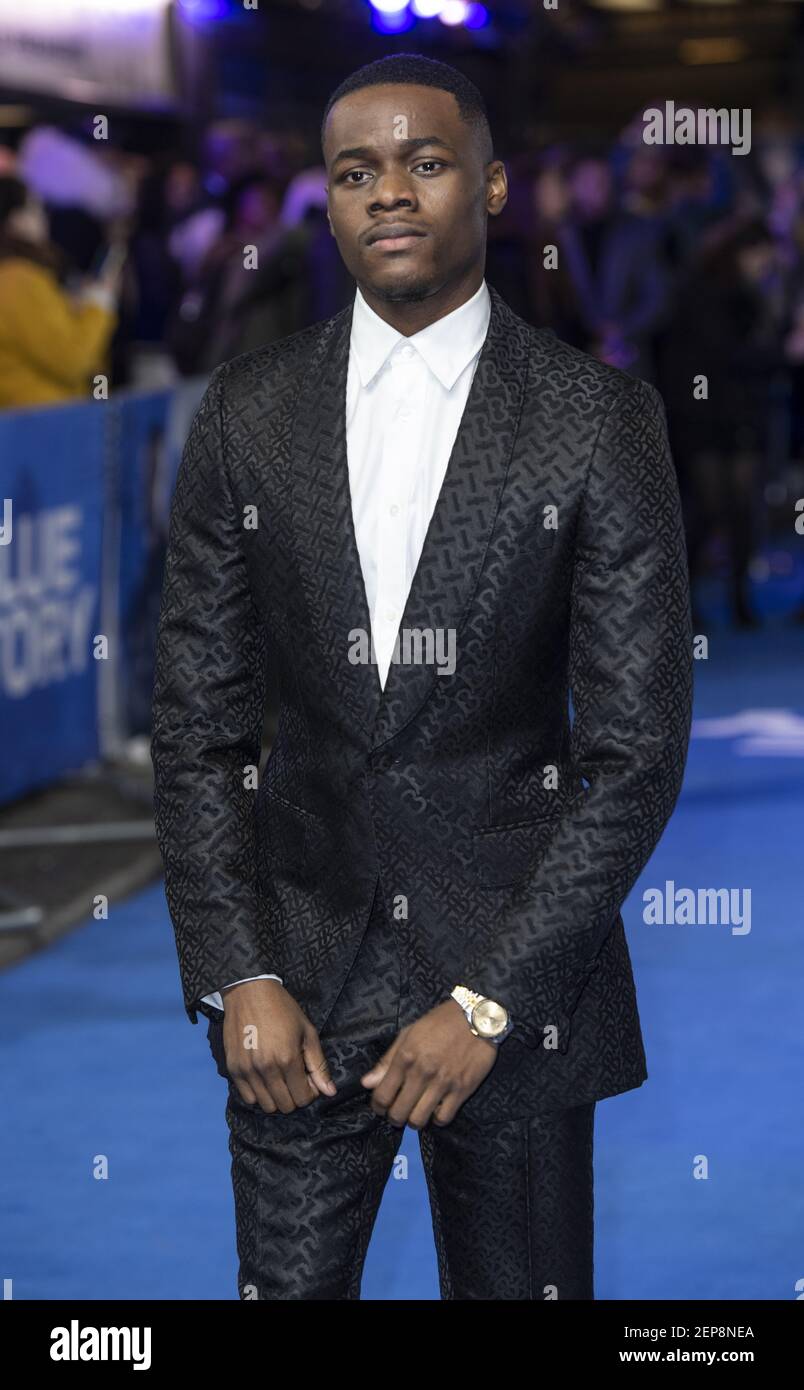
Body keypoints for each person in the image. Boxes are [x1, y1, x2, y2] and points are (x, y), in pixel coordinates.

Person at [151, 53, 693, 1301]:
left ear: (492, 187)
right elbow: (199, 722)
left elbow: (634, 750)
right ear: (327, 202)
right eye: (356, 171)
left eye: (425, 162)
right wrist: (240, 971)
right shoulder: (246, 413)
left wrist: (492, 1003)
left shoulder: (596, 420)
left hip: (515, 992)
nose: (389, 192)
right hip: (295, 989)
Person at [0, 176, 119, 409]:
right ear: (15, 221)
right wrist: (100, 302)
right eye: (35, 209)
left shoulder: (19, 277)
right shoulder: (18, 280)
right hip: (40, 429)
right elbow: (74, 361)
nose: (44, 219)